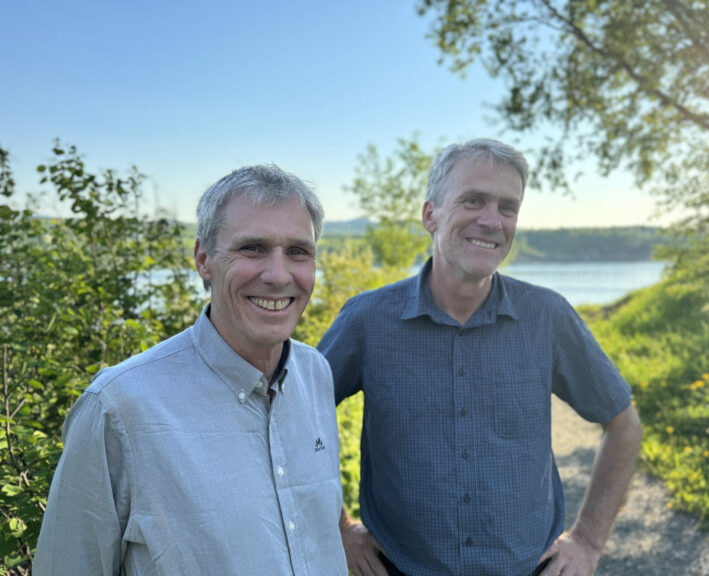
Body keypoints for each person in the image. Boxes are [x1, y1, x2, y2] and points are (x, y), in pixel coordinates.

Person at [318, 139, 643, 576]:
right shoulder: (366, 320)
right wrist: (337, 527)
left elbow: (623, 425)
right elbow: (295, 418)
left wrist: (587, 540)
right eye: (473, 200)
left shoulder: (548, 317)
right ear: (429, 214)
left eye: (507, 207)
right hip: (398, 567)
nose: (492, 221)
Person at [33, 165, 348, 575]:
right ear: (203, 259)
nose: (278, 275)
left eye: (298, 252)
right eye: (252, 248)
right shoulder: (119, 408)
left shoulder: (315, 373)